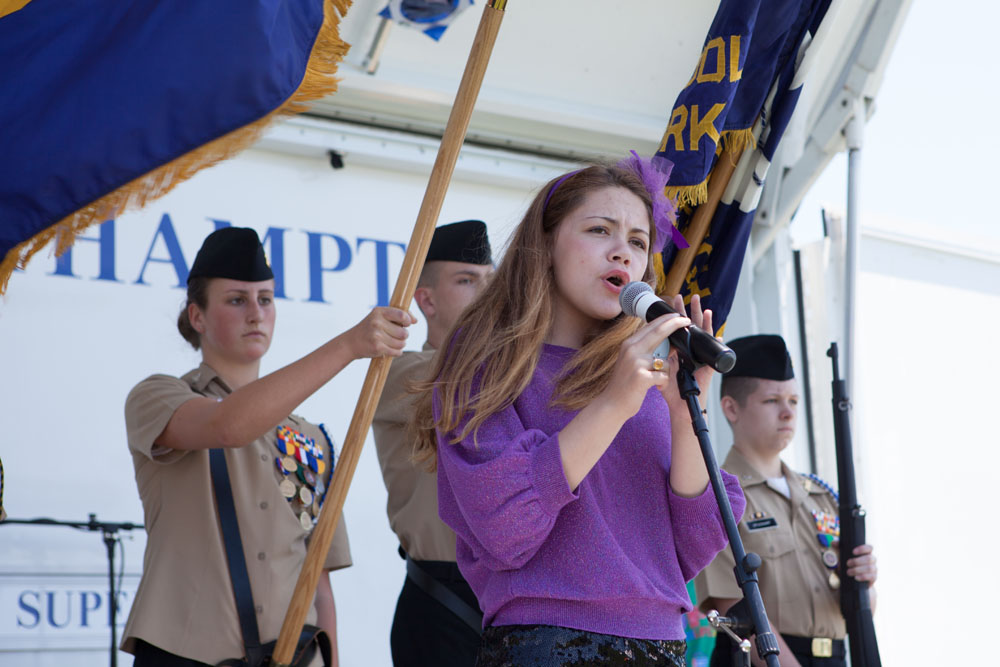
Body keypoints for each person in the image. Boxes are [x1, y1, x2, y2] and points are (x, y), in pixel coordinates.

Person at [412, 157, 747, 666]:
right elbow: (506, 529)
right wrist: (612, 405)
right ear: (544, 245)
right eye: (599, 230)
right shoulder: (485, 363)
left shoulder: (647, 380)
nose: (623, 251)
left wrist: (684, 415)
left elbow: (692, 547)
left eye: (638, 241)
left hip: (664, 646)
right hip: (547, 644)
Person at [121, 227, 416, 667]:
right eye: (236, 300)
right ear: (197, 316)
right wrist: (351, 345)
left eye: (266, 299)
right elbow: (227, 426)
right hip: (184, 654)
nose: (256, 314)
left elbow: (318, 580)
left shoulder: (310, 438)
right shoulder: (158, 396)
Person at [693, 334, 878, 667]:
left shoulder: (821, 497)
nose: (787, 413)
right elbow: (735, 607)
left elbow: (850, 610)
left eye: (793, 401)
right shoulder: (719, 495)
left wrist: (864, 584)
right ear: (732, 408)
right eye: (772, 401)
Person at [372, 219, 494, 667]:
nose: (486, 293)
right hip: (443, 598)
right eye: (467, 281)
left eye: (491, 282)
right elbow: (473, 384)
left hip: (510, 597)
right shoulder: (398, 374)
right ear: (426, 299)